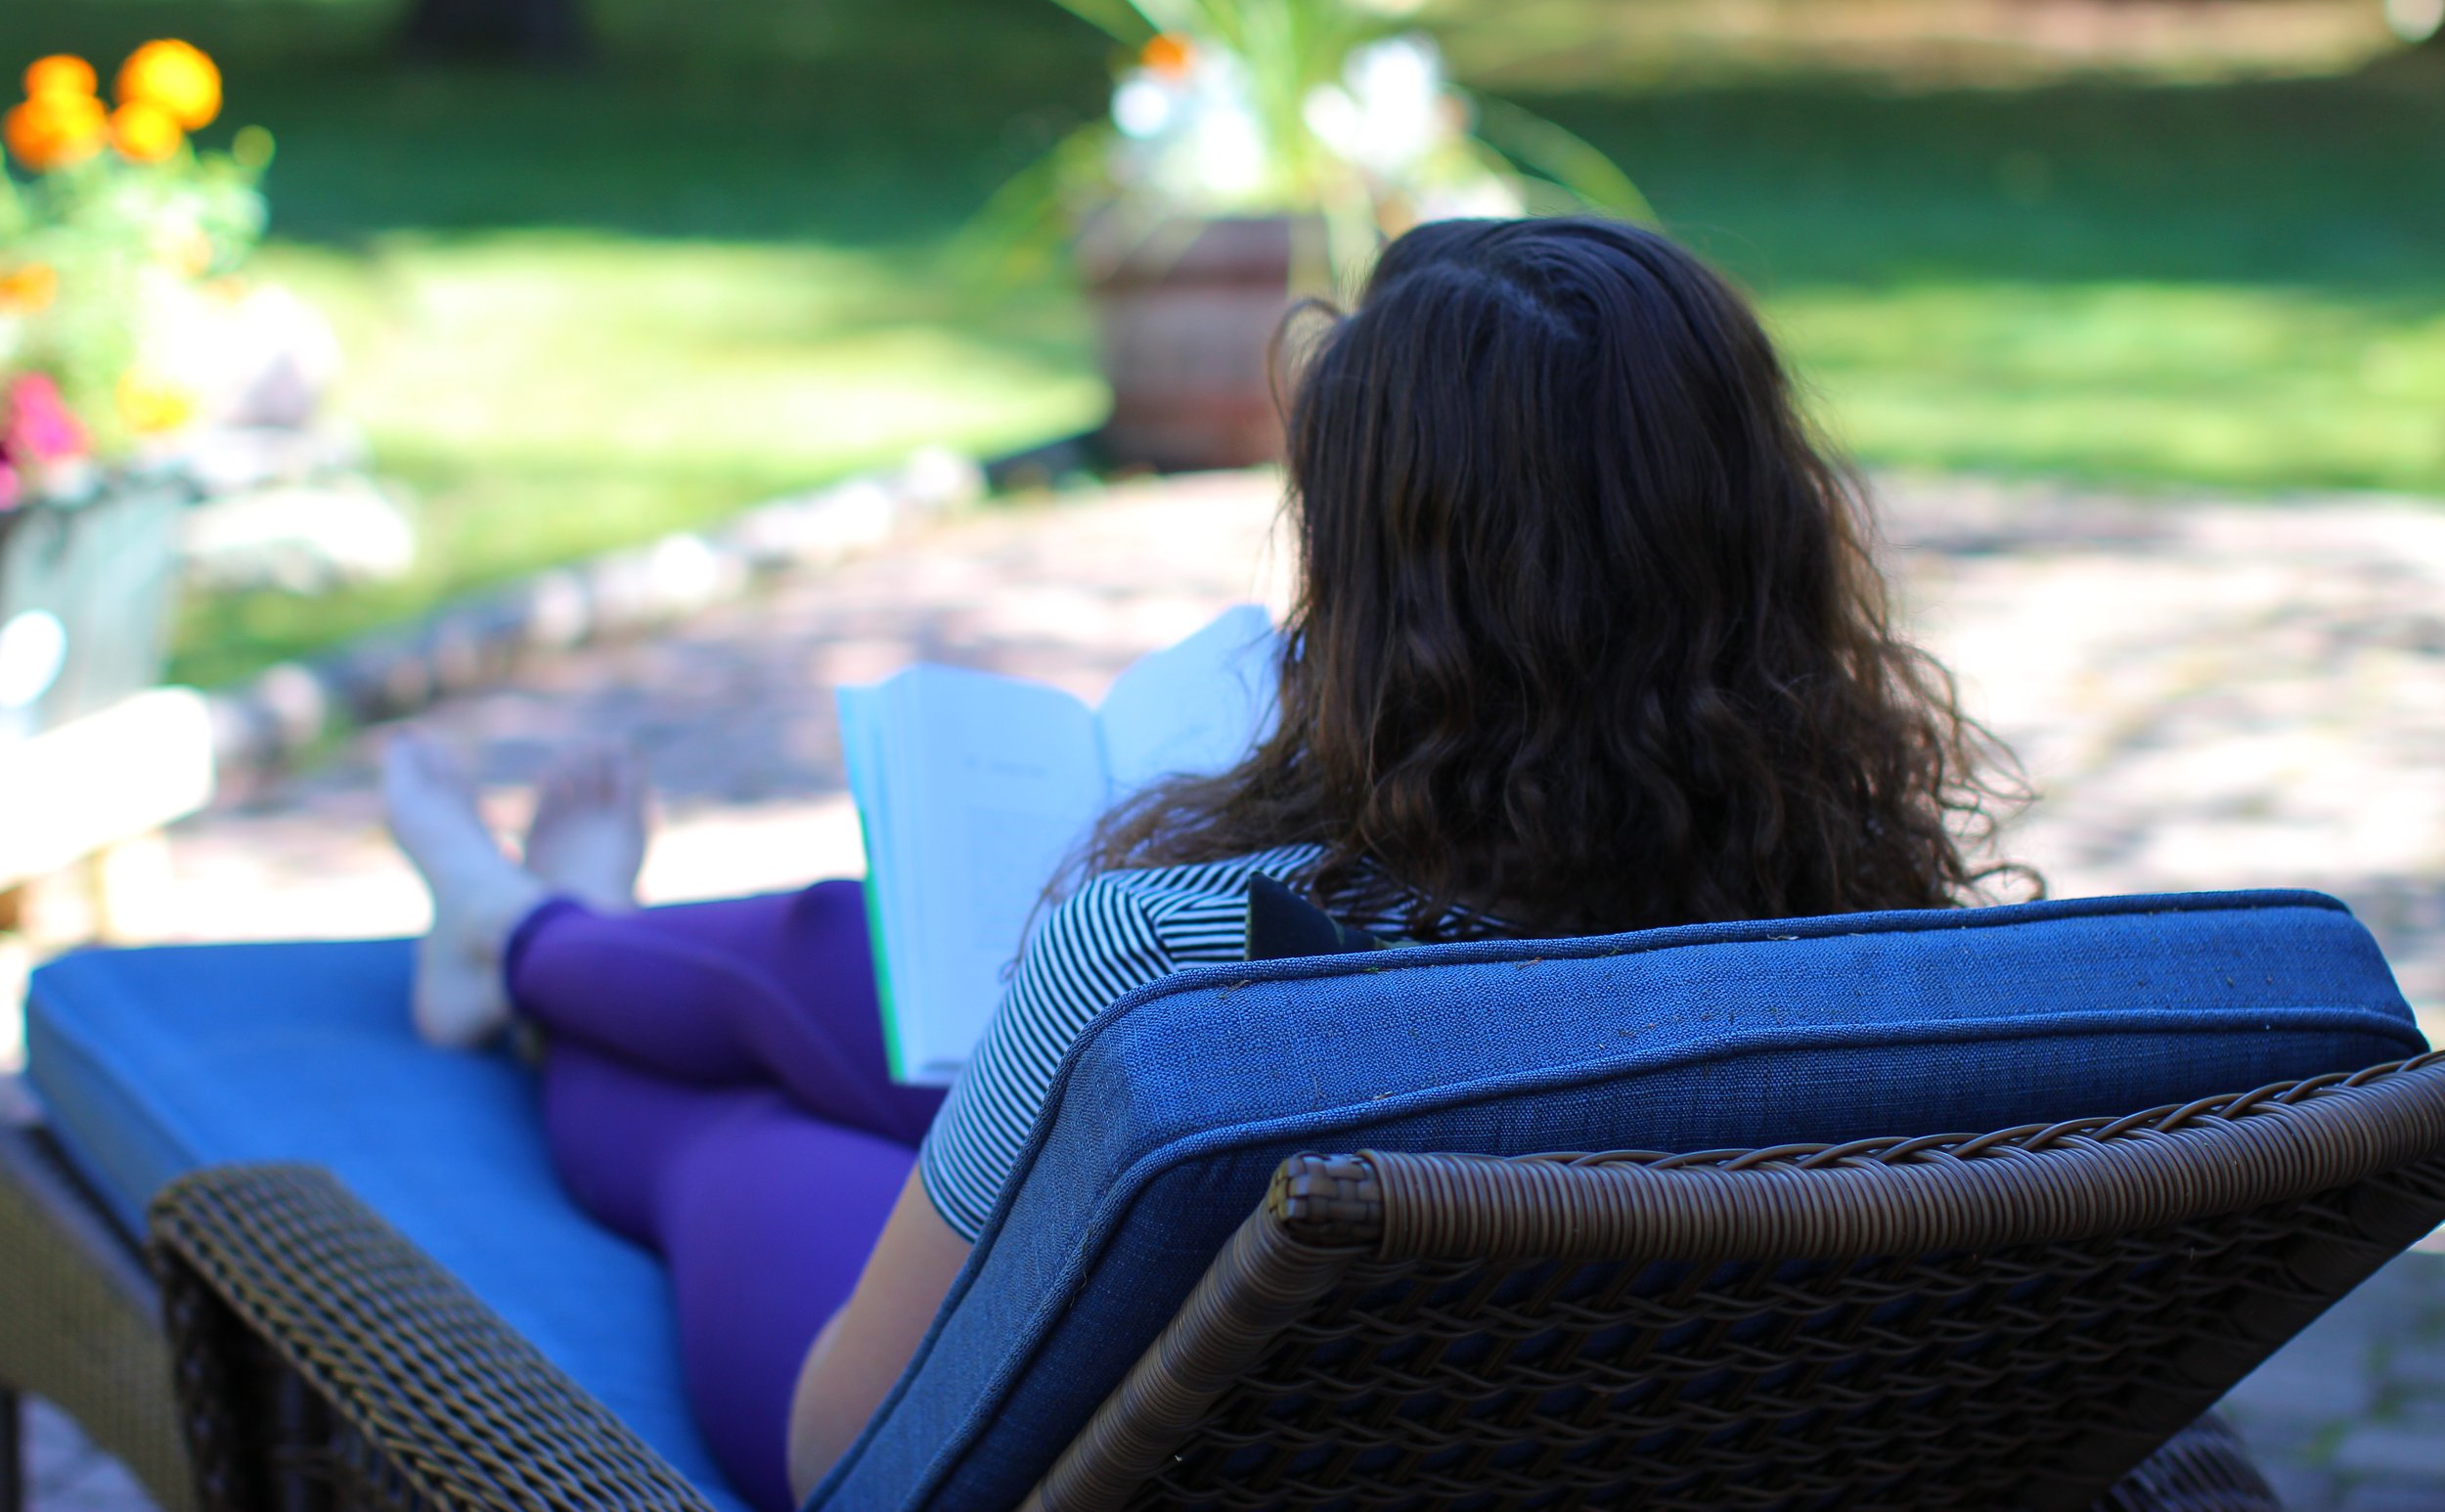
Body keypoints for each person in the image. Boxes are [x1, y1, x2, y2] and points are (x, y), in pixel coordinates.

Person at [382, 216, 2027, 1512]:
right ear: (1765, 534)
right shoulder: (1884, 950)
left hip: (992, 1451)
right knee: (848, 970)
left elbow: (866, 1437)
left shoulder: (1176, 960)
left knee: (727, 1127)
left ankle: (528, 953)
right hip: (1518, 1385)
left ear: (1387, 601)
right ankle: (534, 934)